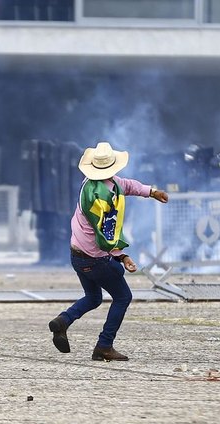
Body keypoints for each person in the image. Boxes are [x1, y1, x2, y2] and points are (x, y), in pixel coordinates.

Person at [47, 142, 169, 361]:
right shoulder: (100, 200)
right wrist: (122, 256)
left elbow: (127, 185)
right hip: (95, 258)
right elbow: (106, 235)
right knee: (123, 296)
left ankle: (63, 321)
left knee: (93, 297)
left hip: (77, 255)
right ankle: (104, 345)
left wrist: (151, 192)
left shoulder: (93, 183)